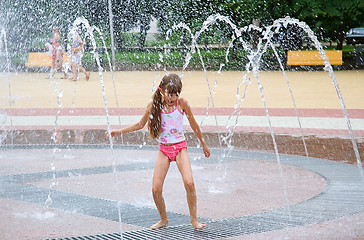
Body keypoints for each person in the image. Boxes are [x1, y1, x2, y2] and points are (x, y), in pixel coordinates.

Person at [106, 73, 210, 230]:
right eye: (170, 94)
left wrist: (203, 143)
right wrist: (118, 132)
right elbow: (140, 124)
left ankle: (194, 220)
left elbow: (194, 124)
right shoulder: (155, 104)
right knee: (156, 189)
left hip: (180, 147)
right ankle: (163, 219)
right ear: (162, 91)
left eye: (176, 94)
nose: (173, 98)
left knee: (189, 183)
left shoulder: (182, 104)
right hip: (164, 149)